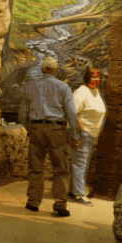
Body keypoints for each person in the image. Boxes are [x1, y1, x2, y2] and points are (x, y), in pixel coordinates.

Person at [18, 56, 80, 217]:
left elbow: (22, 114)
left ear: (42, 69)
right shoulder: (63, 87)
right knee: (60, 168)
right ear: (55, 70)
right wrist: (74, 134)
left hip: (37, 129)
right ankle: (60, 204)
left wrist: (31, 128)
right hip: (57, 130)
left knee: (35, 166)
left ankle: (33, 201)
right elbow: (71, 113)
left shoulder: (30, 87)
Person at [69, 67, 107, 206]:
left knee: (82, 164)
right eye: (93, 77)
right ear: (87, 78)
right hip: (83, 133)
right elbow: (72, 112)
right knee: (80, 164)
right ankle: (79, 195)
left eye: (98, 77)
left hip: (91, 134)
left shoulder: (95, 92)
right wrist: (78, 130)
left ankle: (72, 191)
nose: (96, 80)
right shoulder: (81, 92)